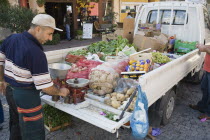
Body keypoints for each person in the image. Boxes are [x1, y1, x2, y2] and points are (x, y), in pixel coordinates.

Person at [0, 14, 70, 140]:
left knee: (16, 125)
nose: (50, 38)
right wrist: (60, 91)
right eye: (49, 34)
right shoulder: (35, 53)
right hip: (27, 97)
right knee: (33, 132)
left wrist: (2, 80)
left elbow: (0, 61)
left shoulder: (12, 38)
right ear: (38, 29)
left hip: (10, 92)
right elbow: (45, 87)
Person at [189, 44, 210, 120]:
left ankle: (208, 113)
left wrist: (204, 48)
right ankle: (202, 106)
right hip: (208, 69)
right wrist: (204, 46)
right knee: (205, 89)